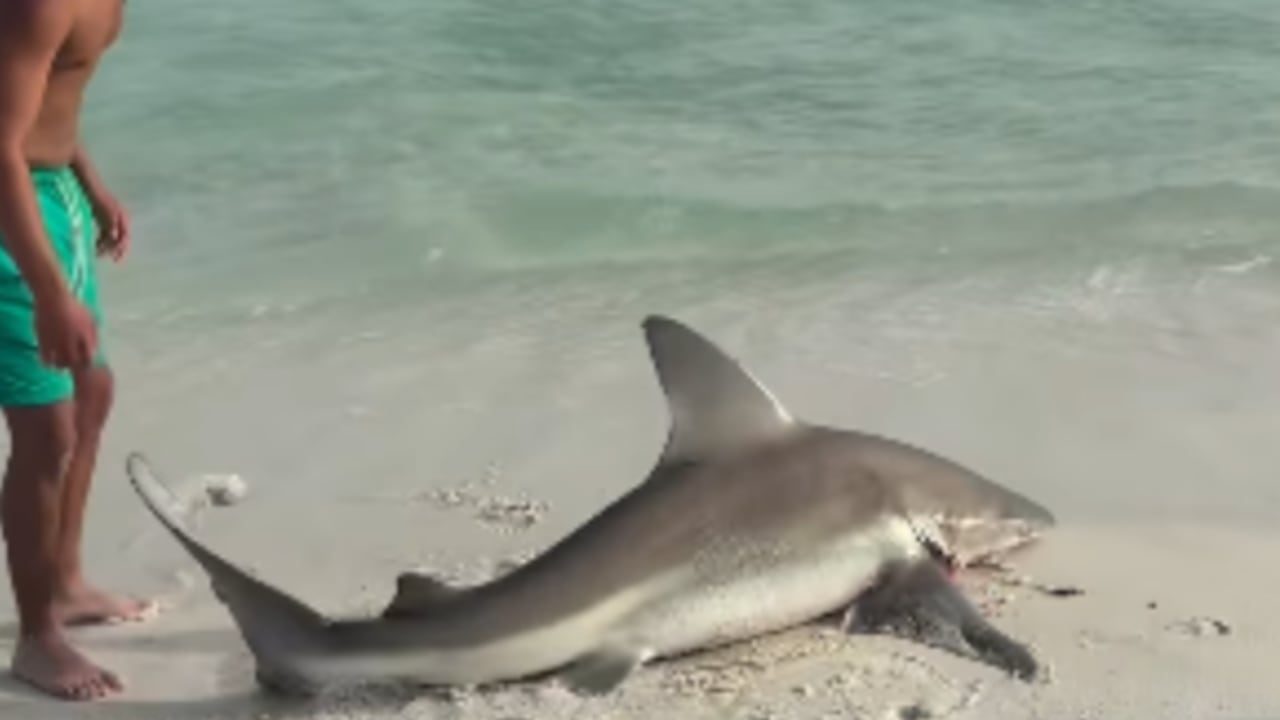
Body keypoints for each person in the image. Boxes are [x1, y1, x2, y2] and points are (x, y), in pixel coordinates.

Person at [0, 0, 152, 702]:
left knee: (92, 392)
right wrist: (47, 289)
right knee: (45, 427)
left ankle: (64, 584)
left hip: (50, 191)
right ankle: (37, 639)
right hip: (9, 205)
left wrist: (88, 182)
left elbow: (52, 93)